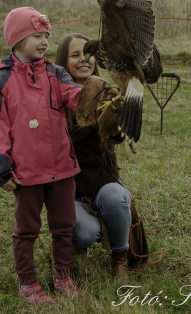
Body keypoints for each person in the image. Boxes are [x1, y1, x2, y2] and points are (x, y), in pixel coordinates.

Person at [0, 7, 84, 306]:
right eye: (36, 36)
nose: (44, 42)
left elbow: (75, 95)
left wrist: (99, 96)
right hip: (26, 173)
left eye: (46, 36)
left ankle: (63, 276)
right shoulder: (0, 83)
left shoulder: (56, 74)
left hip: (62, 168)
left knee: (64, 225)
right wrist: (0, 168)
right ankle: (27, 282)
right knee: (26, 229)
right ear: (16, 40)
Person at [55, 33, 133, 281]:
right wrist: (91, 123)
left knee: (116, 197)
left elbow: (118, 139)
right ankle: (78, 241)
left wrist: (120, 119)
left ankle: (120, 257)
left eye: (88, 55)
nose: (84, 60)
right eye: (75, 55)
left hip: (103, 183)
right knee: (83, 233)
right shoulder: (54, 97)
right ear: (62, 61)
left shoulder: (106, 91)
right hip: (71, 190)